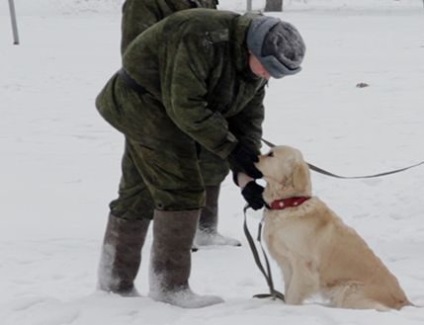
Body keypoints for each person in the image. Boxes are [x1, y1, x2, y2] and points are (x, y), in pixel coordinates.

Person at [95, 8, 306, 308]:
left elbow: (248, 117)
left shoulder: (253, 66)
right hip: (143, 104)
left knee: (137, 191)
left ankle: (114, 283)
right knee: (181, 187)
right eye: (268, 68)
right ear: (252, 48)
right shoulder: (200, 35)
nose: (269, 76)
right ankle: (170, 287)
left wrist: (245, 171)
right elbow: (186, 105)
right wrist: (230, 149)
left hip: (169, 111)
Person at [119, 0, 240, 251]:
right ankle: (131, 252)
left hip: (197, 94)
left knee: (211, 158)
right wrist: (178, 90)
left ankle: (204, 229)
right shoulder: (143, 3)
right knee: (145, 175)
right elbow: (135, 52)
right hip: (151, 98)